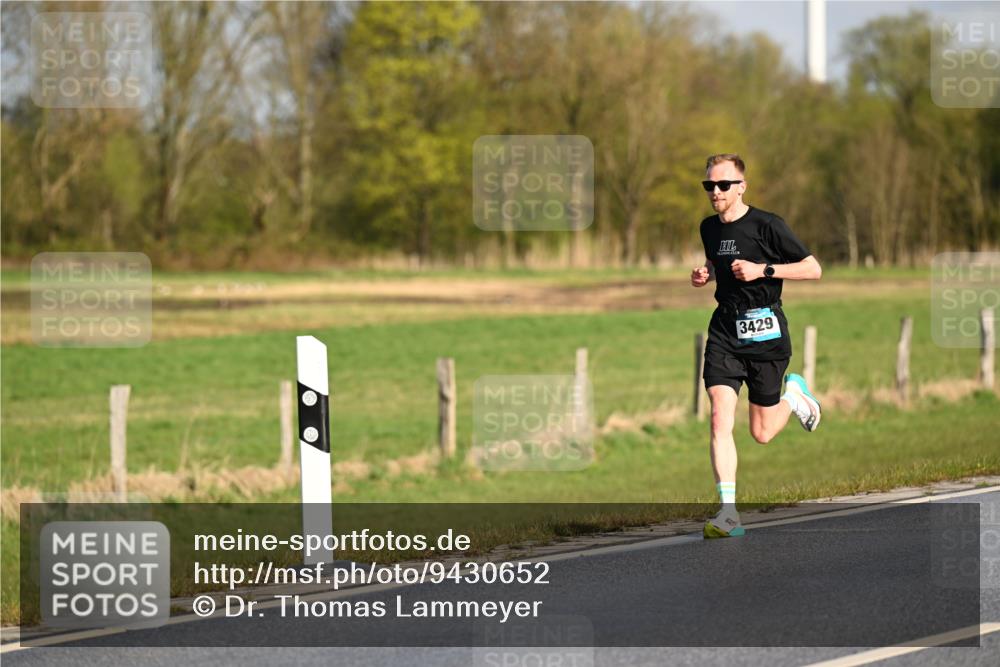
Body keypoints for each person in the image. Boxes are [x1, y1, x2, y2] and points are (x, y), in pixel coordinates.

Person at [691, 153, 823, 539]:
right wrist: (706, 273)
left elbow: (813, 268)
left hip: (766, 333)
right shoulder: (708, 227)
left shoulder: (768, 225)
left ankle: (794, 398)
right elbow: (717, 260)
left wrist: (763, 269)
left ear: (741, 187)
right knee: (719, 417)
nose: (715, 191)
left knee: (762, 433)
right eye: (709, 185)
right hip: (725, 332)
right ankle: (728, 514)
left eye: (723, 184)